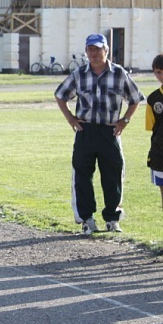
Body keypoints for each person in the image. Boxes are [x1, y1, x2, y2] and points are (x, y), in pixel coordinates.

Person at [55, 33, 144, 235]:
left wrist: (125, 120)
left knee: (113, 175)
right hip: (85, 130)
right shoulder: (79, 74)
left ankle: (112, 219)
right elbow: (60, 95)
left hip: (109, 131)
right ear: (86, 51)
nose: (93, 53)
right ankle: (87, 219)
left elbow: (135, 98)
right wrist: (70, 118)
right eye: (90, 49)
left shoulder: (119, 73)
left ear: (106, 50)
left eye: (97, 49)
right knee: (82, 175)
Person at [146, 54, 163, 209]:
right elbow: (151, 126)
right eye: (158, 72)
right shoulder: (153, 99)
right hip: (160, 152)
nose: (161, 76)